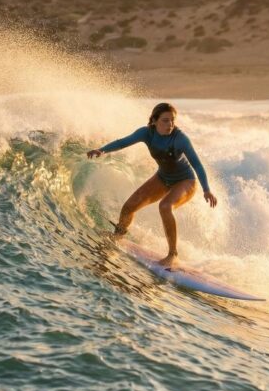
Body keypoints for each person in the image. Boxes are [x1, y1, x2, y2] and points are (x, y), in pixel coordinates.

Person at [87, 102, 217, 268]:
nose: (170, 124)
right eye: (165, 120)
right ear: (154, 121)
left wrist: (207, 190)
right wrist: (102, 150)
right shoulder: (146, 133)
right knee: (129, 207)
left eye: (172, 120)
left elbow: (197, 165)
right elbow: (123, 142)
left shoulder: (180, 138)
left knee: (165, 206)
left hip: (185, 181)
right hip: (163, 178)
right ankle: (118, 236)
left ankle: (172, 255)